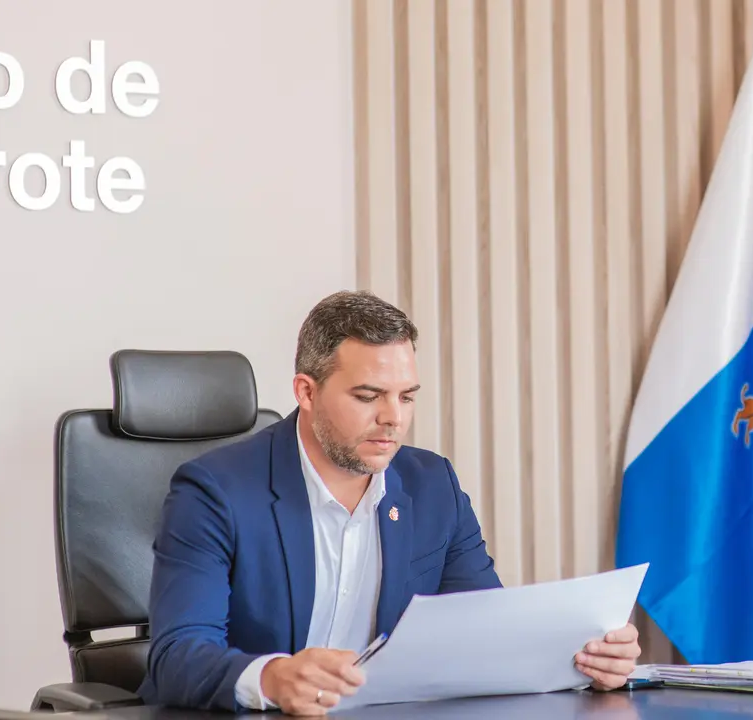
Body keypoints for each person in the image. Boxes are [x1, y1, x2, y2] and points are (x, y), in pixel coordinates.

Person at [139, 290, 641, 713]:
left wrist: (584, 659)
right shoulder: (214, 491)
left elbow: (486, 633)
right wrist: (271, 678)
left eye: (406, 397)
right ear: (306, 392)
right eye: (367, 396)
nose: (392, 419)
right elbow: (178, 655)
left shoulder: (431, 483)